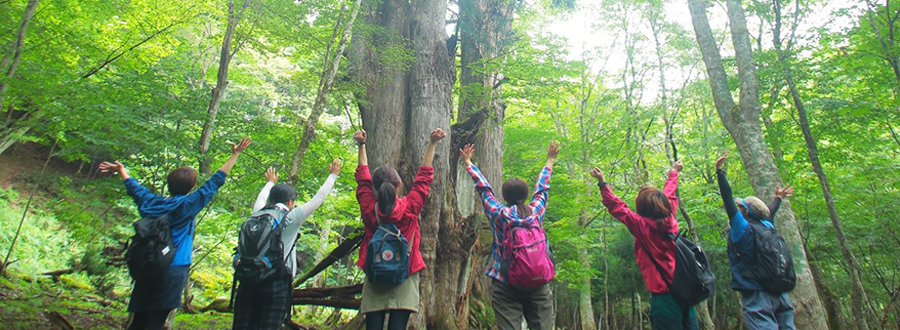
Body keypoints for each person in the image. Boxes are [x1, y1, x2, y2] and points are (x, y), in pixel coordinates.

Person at [98, 137, 252, 330]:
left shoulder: (151, 203)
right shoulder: (188, 205)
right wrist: (235, 154)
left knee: (138, 320)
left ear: (169, 184)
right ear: (191, 187)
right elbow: (215, 182)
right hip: (174, 268)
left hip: (146, 265)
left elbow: (135, 188)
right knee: (155, 322)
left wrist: (121, 170)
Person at [231, 160, 342, 330]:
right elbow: (318, 199)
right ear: (290, 201)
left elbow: (260, 198)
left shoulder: (258, 213)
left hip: (247, 278)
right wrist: (333, 175)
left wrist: (270, 182)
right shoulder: (291, 217)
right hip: (276, 282)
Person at [353, 128, 446, 330]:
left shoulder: (370, 209)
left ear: (376, 188)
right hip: (406, 271)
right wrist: (431, 143)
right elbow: (423, 179)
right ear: (399, 185)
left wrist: (362, 145)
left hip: (375, 272)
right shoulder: (410, 208)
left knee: (373, 326)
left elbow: (362, 179)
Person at [460, 141, 559, 330]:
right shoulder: (536, 213)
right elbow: (543, 188)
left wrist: (468, 163)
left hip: (505, 284)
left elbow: (484, 190)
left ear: (505, 196)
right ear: (525, 194)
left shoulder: (499, 215)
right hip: (538, 283)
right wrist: (550, 160)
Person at [590, 160, 698, 330]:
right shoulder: (670, 216)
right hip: (685, 290)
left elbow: (617, 207)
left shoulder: (642, 227)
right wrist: (674, 172)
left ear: (642, 208)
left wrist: (602, 182)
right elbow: (669, 194)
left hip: (664, 295)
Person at [715, 151, 795, 329]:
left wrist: (720, 173)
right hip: (781, 294)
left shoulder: (741, 228)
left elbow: (727, 199)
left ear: (744, 212)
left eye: (740, 206)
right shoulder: (767, 226)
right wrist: (778, 198)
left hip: (757, 296)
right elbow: (770, 211)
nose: (737, 207)